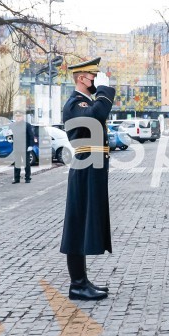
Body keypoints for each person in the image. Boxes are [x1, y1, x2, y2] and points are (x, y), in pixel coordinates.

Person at [61, 57, 115, 301]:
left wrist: (100, 93)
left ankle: (82, 280)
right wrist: (104, 91)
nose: (96, 80)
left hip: (92, 168)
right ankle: (77, 284)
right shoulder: (75, 103)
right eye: (94, 76)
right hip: (84, 168)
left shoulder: (85, 102)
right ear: (82, 78)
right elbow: (96, 115)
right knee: (77, 225)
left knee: (82, 223)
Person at [11, 112, 36, 184]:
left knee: (26, 163)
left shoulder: (27, 125)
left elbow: (31, 135)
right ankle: (16, 178)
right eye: (17, 116)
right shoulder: (13, 125)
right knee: (17, 163)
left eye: (19, 116)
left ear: (22, 117)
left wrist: (31, 145)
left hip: (25, 147)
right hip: (17, 147)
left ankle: (27, 178)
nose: (18, 118)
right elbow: (11, 135)